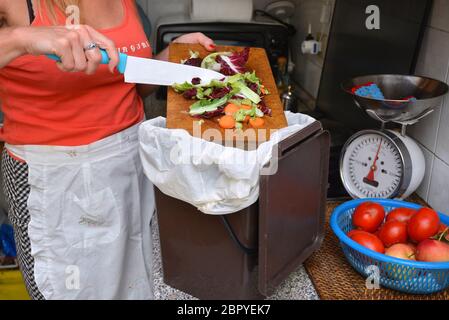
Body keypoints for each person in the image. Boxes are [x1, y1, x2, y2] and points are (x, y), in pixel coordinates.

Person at [0, 0, 216, 300]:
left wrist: (169, 58)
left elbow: (123, 84)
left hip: (132, 168)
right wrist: (22, 39)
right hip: (56, 183)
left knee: (139, 288)